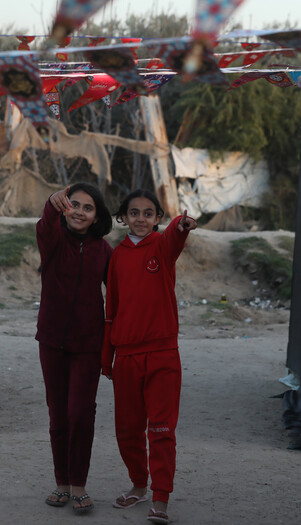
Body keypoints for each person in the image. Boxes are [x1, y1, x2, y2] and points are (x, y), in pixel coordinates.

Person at [101, 189, 197, 525]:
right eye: (134, 213)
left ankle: (161, 498)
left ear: (157, 217)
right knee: (127, 429)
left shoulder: (163, 247)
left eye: (148, 213)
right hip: (126, 356)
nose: (140, 218)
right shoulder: (116, 256)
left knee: (160, 429)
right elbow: (111, 308)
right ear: (123, 217)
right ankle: (139, 485)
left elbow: (175, 237)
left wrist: (181, 225)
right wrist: (107, 355)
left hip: (162, 353)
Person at [36, 183, 113, 515]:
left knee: (80, 413)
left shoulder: (104, 250)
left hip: (87, 344)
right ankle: (62, 483)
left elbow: (120, 292)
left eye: (88, 207)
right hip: (51, 340)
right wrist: (50, 207)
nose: (80, 211)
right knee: (58, 414)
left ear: (97, 216)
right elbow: (44, 227)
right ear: (65, 208)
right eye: (74, 204)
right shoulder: (53, 242)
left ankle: (79, 484)